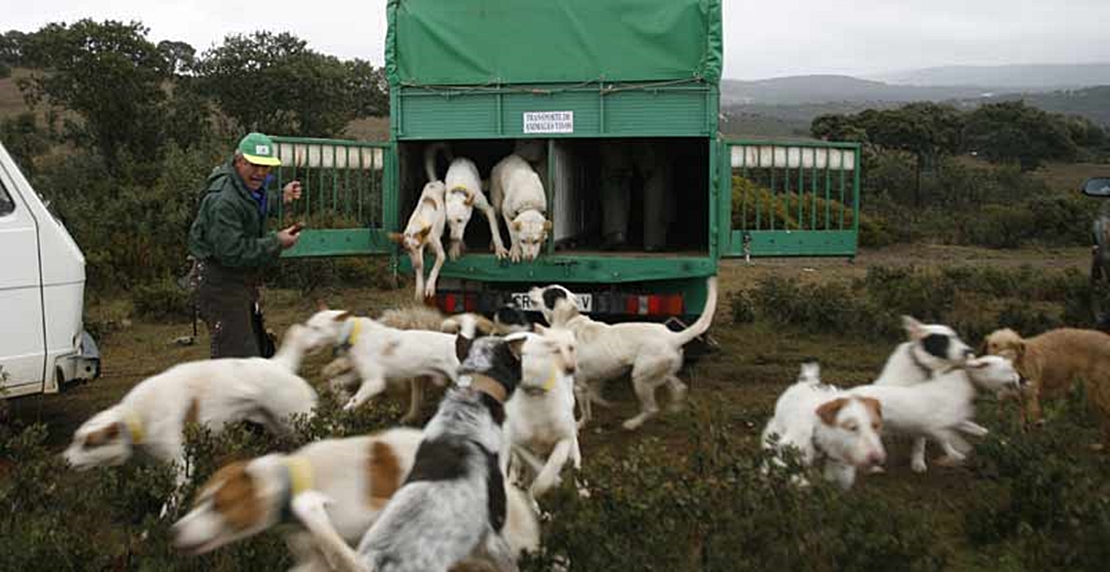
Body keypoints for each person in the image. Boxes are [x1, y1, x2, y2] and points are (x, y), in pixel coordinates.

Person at [187, 132, 303, 358]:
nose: (260, 172)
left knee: (258, 353)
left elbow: (254, 205)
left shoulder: (243, 187)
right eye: (254, 165)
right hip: (220, 284)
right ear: (239, 160)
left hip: (237, 283)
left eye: (266, 167)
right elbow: (233, 252)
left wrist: (282, 197)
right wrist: (276, 242)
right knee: (238, 361)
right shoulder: (224, 201)